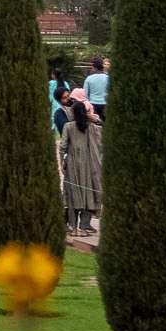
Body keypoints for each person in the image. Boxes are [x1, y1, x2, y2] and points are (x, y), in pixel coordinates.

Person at [59, 100, 102, 236]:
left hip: (72, 164)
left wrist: (62, 163)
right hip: (89, 165)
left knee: (72, 195)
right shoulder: (91, 127)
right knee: (88, 195)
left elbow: (63, 146)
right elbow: (103, 131)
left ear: (73, 112)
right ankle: (83, 228)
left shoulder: (68, 126)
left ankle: (73, 228)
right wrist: (93, 118)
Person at [83, 56, 110, 121]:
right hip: (105, 105)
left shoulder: (89, 79)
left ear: (94, 67)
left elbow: (85, 94)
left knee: (95, 125)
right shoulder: (108, 78)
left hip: (93, 105)